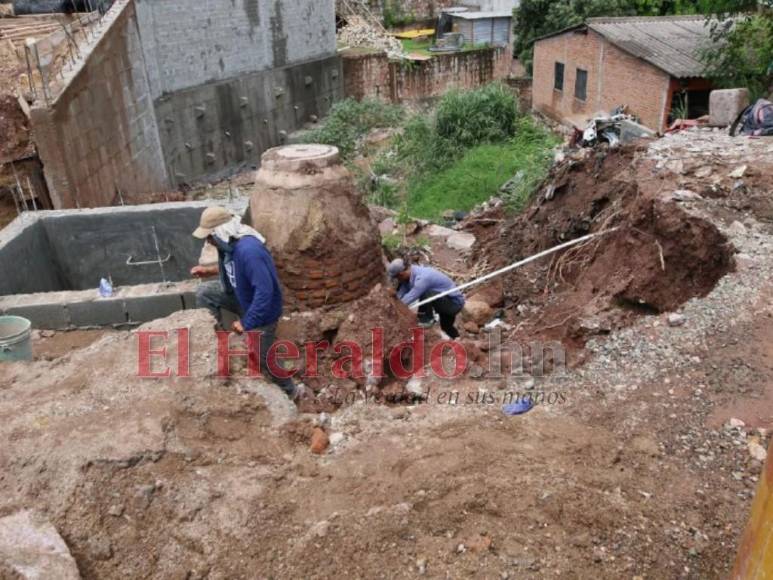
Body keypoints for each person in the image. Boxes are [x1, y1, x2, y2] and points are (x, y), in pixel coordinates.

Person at [190, 206, 299, 400]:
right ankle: (217, 343)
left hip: (262, 311)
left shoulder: (249, 251)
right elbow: (235, 267)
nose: (208, 241)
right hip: (240, 296)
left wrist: (246, 323)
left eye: (209, 236)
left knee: (264, 357)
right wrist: (209, 272)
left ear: (220, 232)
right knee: (204, 292)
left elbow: (265, 293)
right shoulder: (228, 246)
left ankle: (291, 391)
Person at [387, 258, 465, 339]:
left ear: (401, 274)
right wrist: (393, 298)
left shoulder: (422, 278)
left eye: (397, 277)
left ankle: (426, 320)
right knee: (446, 327)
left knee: (426, 292)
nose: (398, 280)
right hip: (442, 301)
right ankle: (458, 340)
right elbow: (401, 294)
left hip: (454, 303)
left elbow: (408, 299)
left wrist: (392, 306)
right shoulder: (408, 277)